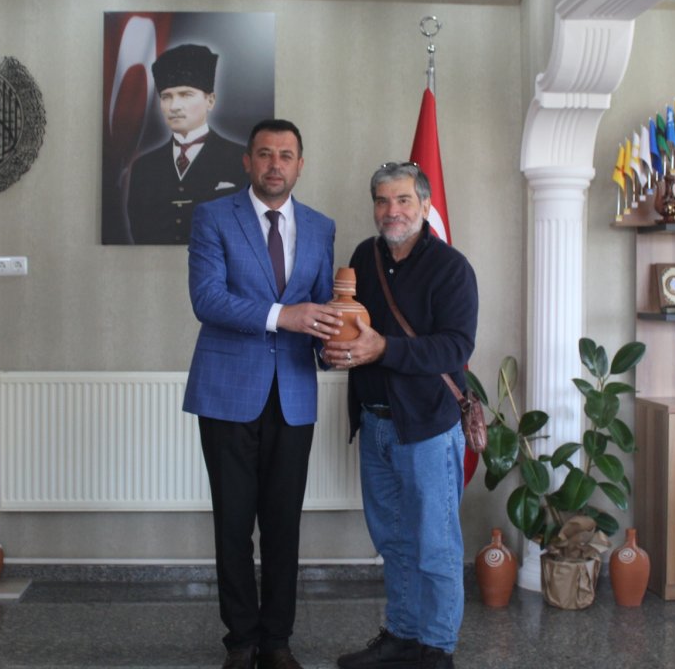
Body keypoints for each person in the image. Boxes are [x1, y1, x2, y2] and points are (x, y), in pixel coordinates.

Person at [184, 118, 343, 669]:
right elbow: (207, 299)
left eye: (286, 155)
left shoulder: (321, 227)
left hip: (294, 393)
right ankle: (240, 641)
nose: (276, 164)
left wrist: (333, 348)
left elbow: (320, 309)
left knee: (283, 524)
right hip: (227, 392)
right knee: (233, 524)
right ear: (247, 162)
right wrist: (284, 315)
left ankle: (276, 640)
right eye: (265, 154)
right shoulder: (213, 217)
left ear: (300, 165)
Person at [323, 162, 478, 669]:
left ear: (426, 205)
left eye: (404, 200)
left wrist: (383, 348)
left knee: (435, 544)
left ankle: (437, 648)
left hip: (428, 428)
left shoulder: (452, 268)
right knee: (392, 541)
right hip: (375, 424)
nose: (393, 211)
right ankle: (404, 636)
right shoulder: (362, 258)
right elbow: (349, 328)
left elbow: (455, 348)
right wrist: (334, 350)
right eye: (383, 201)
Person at [127, 43, 247, 244]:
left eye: (186, 95)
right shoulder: (143, 167)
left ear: (210, 101)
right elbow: (139, 233)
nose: (174, 106)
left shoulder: (241, 159)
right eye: (166, 97)